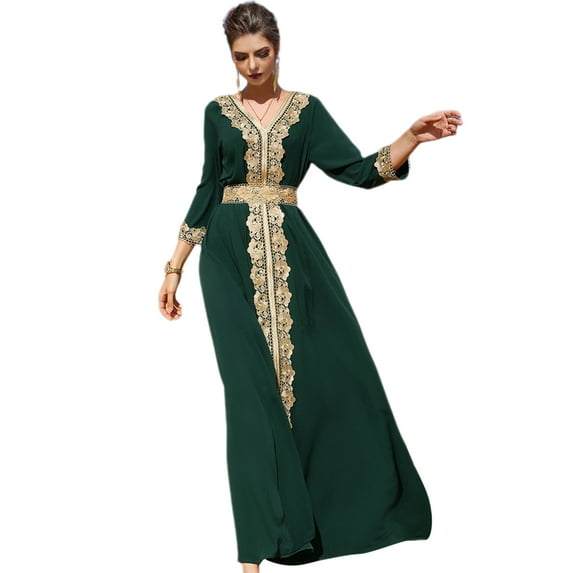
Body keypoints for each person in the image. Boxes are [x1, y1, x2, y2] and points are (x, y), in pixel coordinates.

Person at [158, 2, 462, 571]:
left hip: (292, 255)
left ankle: (319, 520)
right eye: (240, 57)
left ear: (278, 49)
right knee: (248, 400)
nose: (252, 66)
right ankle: (252, 555)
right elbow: (207, 187)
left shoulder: (306, 111)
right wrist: (174, 266)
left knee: (331, 380)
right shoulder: (217, 112)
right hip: (225, 258)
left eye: (261, 53)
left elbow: (358, 171)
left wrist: (411, 138)